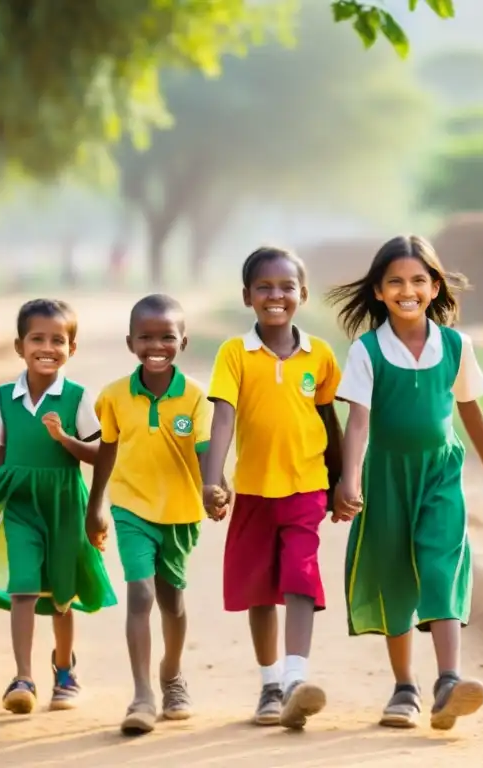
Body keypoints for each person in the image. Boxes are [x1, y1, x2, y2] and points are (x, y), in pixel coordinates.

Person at [324, 234, 483, 731]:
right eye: (396, 282)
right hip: (385, 476)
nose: (408, 290)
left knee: (439, 563)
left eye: (418, 280)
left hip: (440, 472)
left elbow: (469, 407)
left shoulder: (456, 345)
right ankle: (404, 687)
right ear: (379, 292)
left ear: (434, 286)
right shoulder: (366, 351)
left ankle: (448, 681)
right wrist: (350, 479)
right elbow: (358, 421)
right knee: (394, 575)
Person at [0, 298, 117, 716]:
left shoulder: (77, 397)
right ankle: (23, 677)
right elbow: (2, 455)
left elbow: (101, 453)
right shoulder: (4, 397)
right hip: (19, 504)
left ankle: (65, 670)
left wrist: (64, 441)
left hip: (65, 505)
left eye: (58, 340)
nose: (47, 347)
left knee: (63, 597)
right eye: (37, 339)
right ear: (20, 346)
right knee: (24, 590)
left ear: (72, 349)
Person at [201, 246, 344, 731]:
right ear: (247, 296)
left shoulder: (319, 355)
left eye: (286, 287)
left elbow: (330, 417)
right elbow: (222, 415)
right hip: (255, 492)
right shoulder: (234, 354)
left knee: (302, 576)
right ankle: (269, 683)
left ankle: (295, 681)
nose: (275, 295)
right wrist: (212, 477)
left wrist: (345, 479)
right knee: (260, 590)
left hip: (307, 487)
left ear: (302, 294)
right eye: (264, 287)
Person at [85, 294, 212, 736]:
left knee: (171, 600)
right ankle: (142, 695)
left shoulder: (196, 397)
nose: (155, 345)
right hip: (131, 507)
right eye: (145, 337)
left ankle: (172, 675)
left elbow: (204, 454)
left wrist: (213, 490)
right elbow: (106, 450)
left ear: (183, 341)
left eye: (166, 337)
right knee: (139, 595)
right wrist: (95, 505)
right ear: (129, 342)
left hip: (180, 512)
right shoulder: (115, 396)